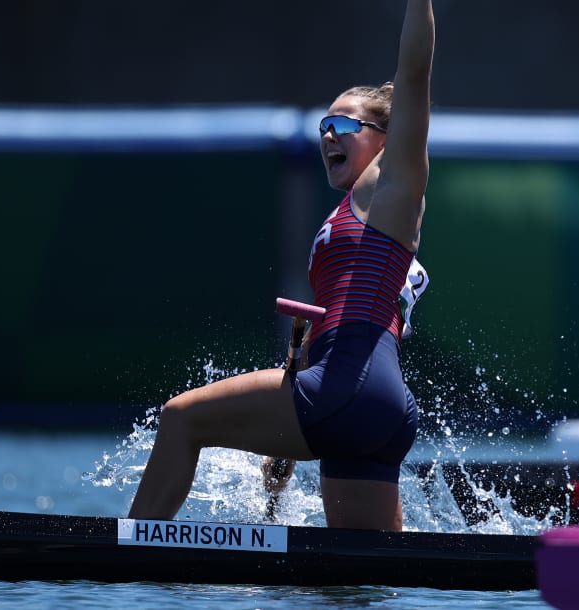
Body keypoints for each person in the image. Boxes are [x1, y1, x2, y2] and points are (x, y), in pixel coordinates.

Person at [128, 0, 434, 531]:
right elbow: (332, 335)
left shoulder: (391, 187)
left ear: (387, 140)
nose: (328, 136)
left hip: (348, 392)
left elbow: (414, 75)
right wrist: (288, 441)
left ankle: (125, 557)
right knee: (363, 581)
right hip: (378, 410)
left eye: (343, 124)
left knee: (181, 419)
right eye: (323, 125)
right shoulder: (361, 219)